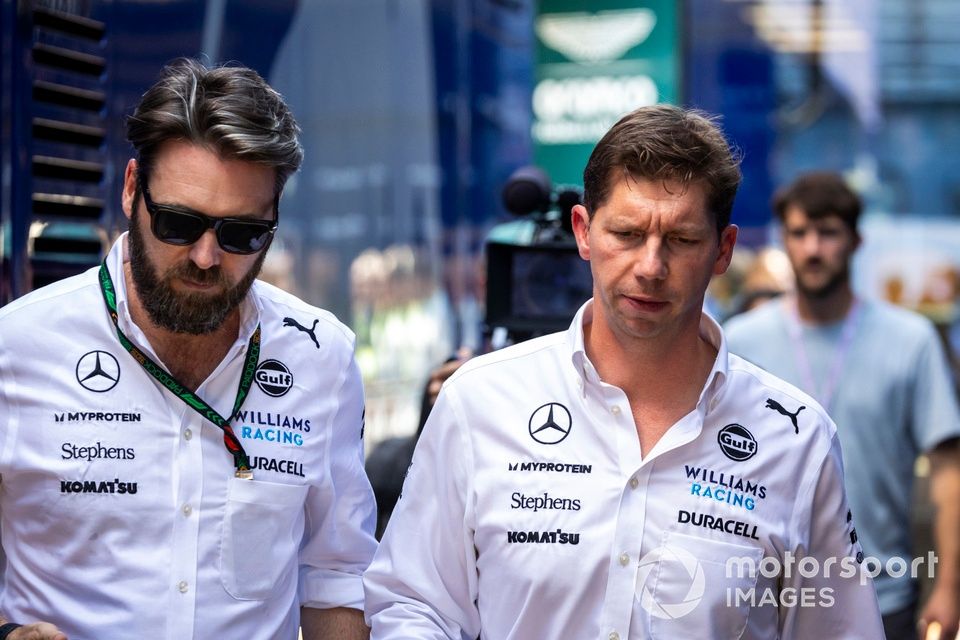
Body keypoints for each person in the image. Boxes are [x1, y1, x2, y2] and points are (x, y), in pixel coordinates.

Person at [363, 105, 884, 638]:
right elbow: (413, 602)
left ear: (723, 250)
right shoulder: (479, 400)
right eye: (628, 234)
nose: (650, 267)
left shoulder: (797, 439)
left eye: (681, 240)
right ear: (584, 232)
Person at [0, 59, 377, 640]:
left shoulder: (319, 354)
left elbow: (336, 574)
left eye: (241, 235)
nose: (206, 257)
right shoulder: (17, 347)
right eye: (178, 223)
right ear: (131, 190)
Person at [725, 172, 960, 640]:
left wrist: (950, 588)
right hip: (763, 596)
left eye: (828, 232)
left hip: (884, 592)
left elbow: (948, 470)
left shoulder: (910, 341)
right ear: (784, 240)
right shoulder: (739, 343)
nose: (813, 248)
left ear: (856, 241)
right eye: (799, 233)